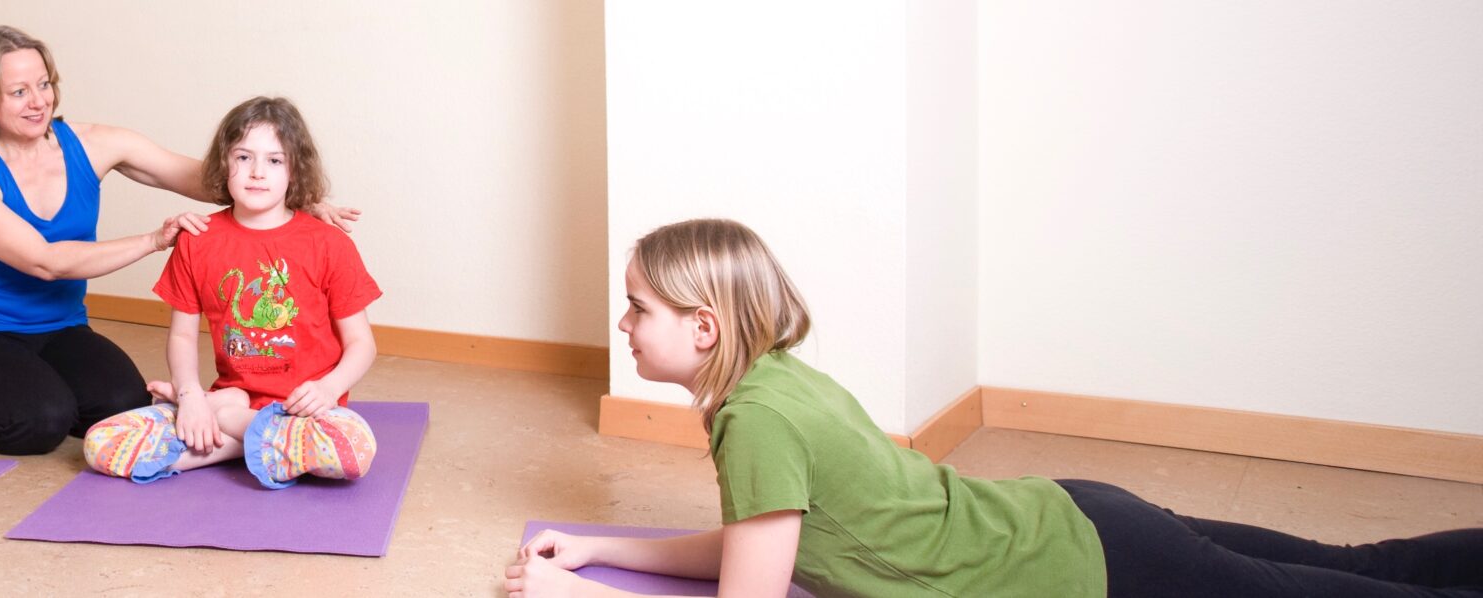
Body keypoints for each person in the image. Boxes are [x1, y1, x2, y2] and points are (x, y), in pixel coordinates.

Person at [504, 219, 1483, 597]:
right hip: (1080, 518)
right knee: (1366, 568)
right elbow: (766, 544)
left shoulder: (755, 418)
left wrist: (571, 594)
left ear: (705, 328)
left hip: (1092, 562)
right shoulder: (770, 381)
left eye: (638, 305)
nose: (622, 323)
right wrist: (603, 550)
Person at [0, 26, 359, 456]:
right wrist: (154, 240)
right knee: (42, 423)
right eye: (18, 91)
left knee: (123, 405)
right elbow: (47, 262)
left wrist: (303, 198)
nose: (38, 101)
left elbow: (213, 177)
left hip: (63, 328)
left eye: (44, 84)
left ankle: (38, 388)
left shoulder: (94, 142)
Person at [80, 96, 382, 489]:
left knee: (352, 450)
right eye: (243, 157)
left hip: (308, 414)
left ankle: (227, 430)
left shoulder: (328, 244)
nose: (257, 172)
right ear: (224, 163)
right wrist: (190, 396)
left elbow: (362, 344)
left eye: (274, 160)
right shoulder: (198, 240)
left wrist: (328, 389)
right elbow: (183, 334)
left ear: (296, 169)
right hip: (235, 394)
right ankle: (247, 431)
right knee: (100, 445)